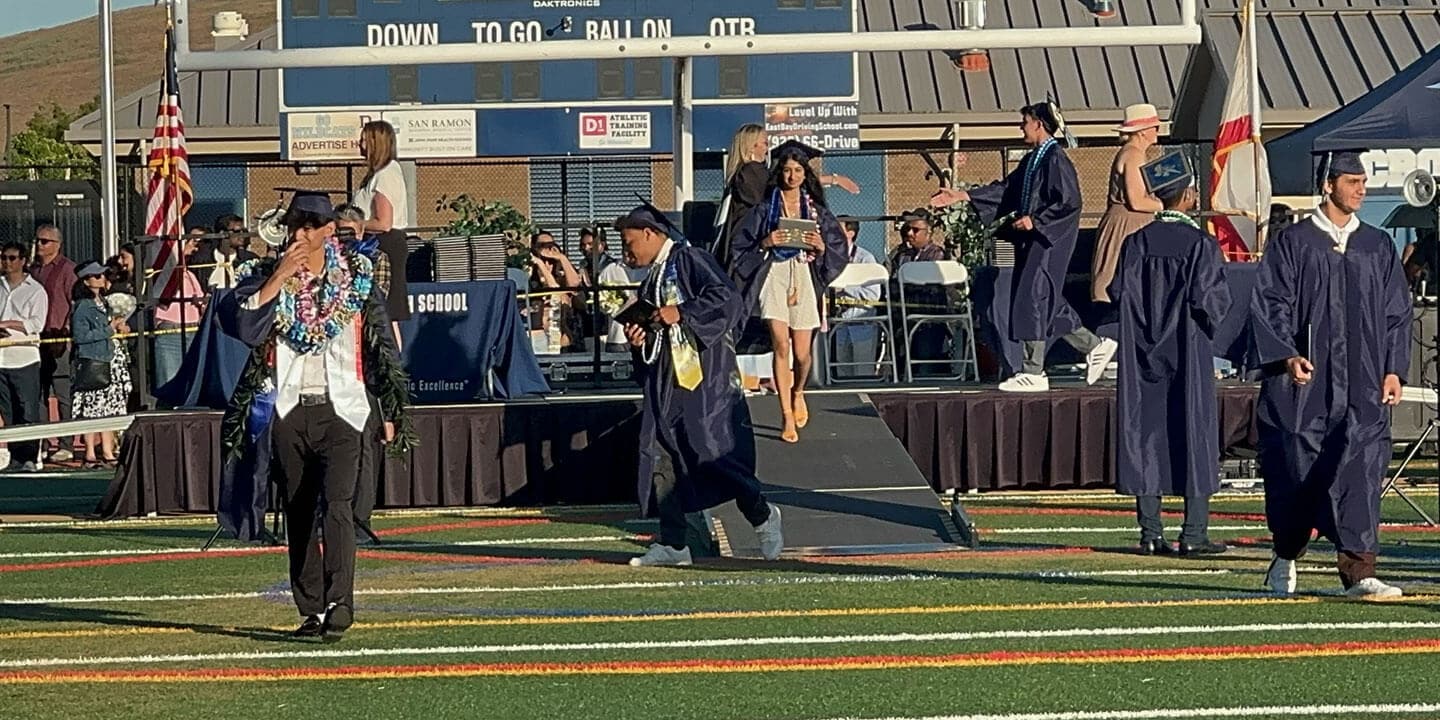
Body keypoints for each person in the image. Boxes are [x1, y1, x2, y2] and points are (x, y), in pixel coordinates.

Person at [223, 192, 412, 639]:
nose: (301, 235)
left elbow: (382, 347)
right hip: (290, 409)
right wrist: (279, 278)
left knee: (340, 506)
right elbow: (245, 329)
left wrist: (389, 410)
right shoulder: (270, 279)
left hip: (343, 408)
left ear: (329, 231)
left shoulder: (359, 280)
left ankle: (340, 600)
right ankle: (310, 608)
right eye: (295, 227)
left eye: (310, 226)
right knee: (300, 510)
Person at [1250, 150, 1411, 599]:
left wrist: (1393, 368)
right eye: (1352, 181)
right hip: (1307, 381)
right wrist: (1285, 356)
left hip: (1363, 381)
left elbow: (1397, 313)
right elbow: (1271, 303)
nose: (1362, 188)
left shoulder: (1377, 245)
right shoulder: (1295, 242)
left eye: (1364, 181)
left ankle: (1360, 570)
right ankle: (1286, 552)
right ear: (1329, 184)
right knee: (1299, 464)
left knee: (1362, 465)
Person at [615, 204, 784, 567]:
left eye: (629, 243)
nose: (626, 253)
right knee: (661, 457)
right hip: (666, 381)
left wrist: (683, 312)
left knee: (710, 451)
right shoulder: (652, 279)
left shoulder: (690, 259)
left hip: (705, 379)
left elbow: (727, 300)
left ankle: (761, 513)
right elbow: (659, 334)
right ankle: (674, 544)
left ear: (649, 233)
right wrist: (639, 338)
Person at [932, 101, 1116, 392]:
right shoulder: (1033, 161)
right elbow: (1007, 189)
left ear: (1039, 124)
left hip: (1049, 241)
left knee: (1033, 298)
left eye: (1024, 122)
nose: (1021, 127)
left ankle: (1033, 370)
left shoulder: (1055, 159)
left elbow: (1069, 201)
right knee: (1046, 302)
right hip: (1031, 242)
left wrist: (1037, 220)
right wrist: (962, 195)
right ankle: (1094, 345)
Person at [1108, 157, 1229, 556]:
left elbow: (1117, 293)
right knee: (1193, 434)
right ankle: (1193, 534)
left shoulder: (1135, 244)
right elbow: (1211, 302)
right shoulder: (1201, 246)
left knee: (1144, 436)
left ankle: (1150, 532)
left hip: (1142, 356)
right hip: (1188, 353)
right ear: (1190, 195)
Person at [730, 140, 849, 443]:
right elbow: (739, 247)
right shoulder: (763, 210)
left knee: (803, 353)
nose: (792, 176)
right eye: (786, 170)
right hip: (774, 274)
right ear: (779, 173)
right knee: (780, 345)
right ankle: (785, 414)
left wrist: (821, 247)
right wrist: (766, 242)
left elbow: (837, 249)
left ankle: (798, 392)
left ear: (804, 174)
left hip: (804, 274)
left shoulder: (817, 212)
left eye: (797, 170)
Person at [1091, 103, 1162, 305]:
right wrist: (1165, 207)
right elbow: (1137, 200)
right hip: (1127, 227)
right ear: (1141, 132)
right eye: (1154, 126)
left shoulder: (1133, 152)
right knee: (1116, 277)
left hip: (1129, 225)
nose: (1158, 130)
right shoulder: (1133, 154)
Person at [355, 120, 412, 346]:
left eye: (363, 139)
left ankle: (394, 366)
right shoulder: (378, 174)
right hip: (379, 245)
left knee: (387, 312)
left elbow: (384, 222)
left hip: (383, 247)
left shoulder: (386, 175)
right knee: (385, 314)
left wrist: (356, 226)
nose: (359, 144)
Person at [69, 263, 130, 468]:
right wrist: (108, 329)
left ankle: (107, 450)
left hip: (109, 359)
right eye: (95, 276)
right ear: (86, 281)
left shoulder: (103, 302)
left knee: (108, 409)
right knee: (92, 409)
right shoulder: (83, 305)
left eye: (102, 274)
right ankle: (90, 454)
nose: (101, 278)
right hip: (93, 361)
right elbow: (80, 336)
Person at [30, 223, 77, 462]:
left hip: (59, 340)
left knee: (62, 394)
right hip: (37, 340)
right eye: (37, 240)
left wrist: (67, 332)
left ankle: (66, 443)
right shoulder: (33, 270)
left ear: (56, 244)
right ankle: (46, 441)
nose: (39, 245)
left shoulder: (68, 270)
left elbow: (74, 304)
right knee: (39, 393)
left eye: (44, 241)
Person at [0, 240, 48, 472]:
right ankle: (15, 457)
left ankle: (30, 457)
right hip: (1, 359)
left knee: (27, 409)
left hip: (24, 358)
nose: (7, 263)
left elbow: (37, 323)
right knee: (8, 411)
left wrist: (8, 324)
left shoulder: (36, 290)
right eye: (4, 258)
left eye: (12, 258)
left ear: (23, 261)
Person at [152, 233, 205, 389]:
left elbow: (200, 301)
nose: (195, 249)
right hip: (171, 330)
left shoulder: (190, 275)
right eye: (192, 244)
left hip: (192, 329)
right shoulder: (164, 275)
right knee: (170, 380)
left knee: (190, 381)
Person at [832, 220, 882, 379]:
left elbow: (873, 295)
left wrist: (845, 289)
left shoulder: (866, 258)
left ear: (850, 233)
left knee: (863, 371)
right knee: (842, 371)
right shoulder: (831, 257)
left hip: (863, 323)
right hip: (839, 323)